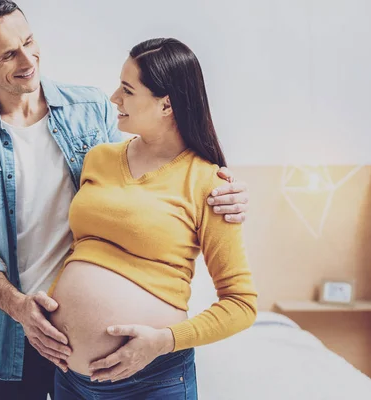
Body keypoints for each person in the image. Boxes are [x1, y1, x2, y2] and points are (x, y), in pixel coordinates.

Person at [0, 1, 250, 399]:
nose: (27, 59)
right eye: (7, 54)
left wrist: (227, 190)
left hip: (105, 356)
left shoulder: (92, 111)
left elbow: (149, 179)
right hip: (10, 335)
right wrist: (20, 308)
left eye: (29, 41)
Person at [48, 38, 258, 399]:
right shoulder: (98, 158)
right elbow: (81, 248)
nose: (114, 97)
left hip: (152, 380)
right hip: (70, 379)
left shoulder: (208, 182)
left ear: (166, 104)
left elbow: (241, 304)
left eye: (127, 90)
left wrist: (164, 341)